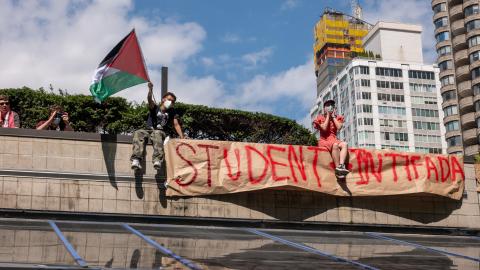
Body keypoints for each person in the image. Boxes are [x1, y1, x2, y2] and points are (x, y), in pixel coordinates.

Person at [131, 82, 184, 171]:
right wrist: (150, 90)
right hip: (149, 130)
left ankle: (157, 160)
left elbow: (176, 124)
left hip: (160, 132)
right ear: (163, 99)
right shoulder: (155, 107)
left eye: (173, 102)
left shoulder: (172, 112)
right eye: (169, 100)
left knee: (157, 133)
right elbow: (149, 99)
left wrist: (182, 137)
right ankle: (136, 159)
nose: (171, 102)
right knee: (138, 132)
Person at [313, 99, 350, 177]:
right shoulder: (320, 117)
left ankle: (341, 165)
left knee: (345, 144)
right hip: (324, 140)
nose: (330, 107)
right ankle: (337, 169)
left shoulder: (337, 117)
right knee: (335, 145)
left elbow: (339, 127)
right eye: (328, 105)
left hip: (334, 139)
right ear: (324, 108)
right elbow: (324, 128)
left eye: (332, 105)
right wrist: (327, 116)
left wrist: (333, 117)